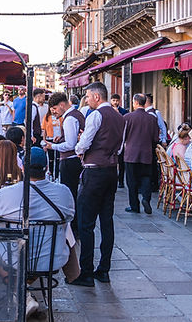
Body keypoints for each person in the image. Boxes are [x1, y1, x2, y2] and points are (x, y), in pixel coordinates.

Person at [0, 146, 75, 317]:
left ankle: (18, 292)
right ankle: (24, 293)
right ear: (47, 168)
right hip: (50, 260)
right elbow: (70, 216)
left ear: (22, 168)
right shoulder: (63, 192)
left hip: (14, 259)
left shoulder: (6, 193)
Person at [69, 82, 124, 287]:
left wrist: (79, 149)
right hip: (111, 171)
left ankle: (86, 272)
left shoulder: (96, 115)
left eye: (88, 96)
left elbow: (84, 144)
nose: (86, 99)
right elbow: (120, 148)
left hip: (94, 171)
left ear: (97, 97)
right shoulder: (120, 117)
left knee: (86, 223)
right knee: (107, 221)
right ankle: (104, 270)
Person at [42, 91, 85, 236]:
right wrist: (61, 138)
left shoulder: (69, 119)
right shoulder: (76, 115)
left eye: (54, 109)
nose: (54, 112)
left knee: (70, 193)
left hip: (70, 161)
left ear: (61, 105)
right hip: (75, 160)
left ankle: (73, 227)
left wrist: (52, 146)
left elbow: (70, 145)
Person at [122, 94, 159, 214]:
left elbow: (123, 136)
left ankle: (134, 205)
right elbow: (155, 138)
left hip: (131, 153)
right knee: (146, 177)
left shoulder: (127, 117)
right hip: (146, 153)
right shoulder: (152, 118)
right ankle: (146, 198)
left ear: (136, 102)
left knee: (131, 180)